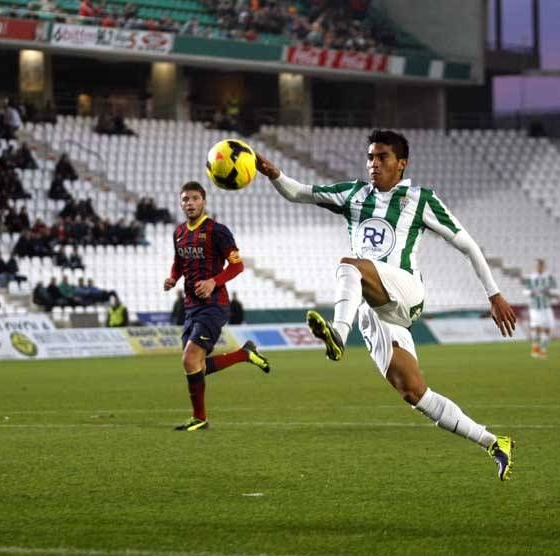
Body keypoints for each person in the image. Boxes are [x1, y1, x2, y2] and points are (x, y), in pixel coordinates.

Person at [255, 129, 517, 481]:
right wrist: (275, 175)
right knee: (414, 392)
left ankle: (337, 334)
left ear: (401, 163)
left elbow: (468, 244)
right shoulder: (353, 194)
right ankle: (494, 442)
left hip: (405, 290)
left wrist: (494, 292)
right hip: (372, 308)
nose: (373, 164)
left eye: (382, 157)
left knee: (348, 264)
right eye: (370, 157)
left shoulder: (420, 198)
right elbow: (300, 192)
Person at [164, 181, 270, 432]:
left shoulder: (218, 231)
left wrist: (214, 281)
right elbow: (179, 262)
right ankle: (243, 354)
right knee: (195, 364)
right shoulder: (178, 232)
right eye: (185, 199)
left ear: (204, 201)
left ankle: (200, 418)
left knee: (189, 359)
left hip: (215, 305)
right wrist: (172, 278)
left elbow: (237, 266)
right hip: (190, 307)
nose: (189, 203)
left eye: (194, 198)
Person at [523, 258, 557, 359]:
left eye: (540, 265)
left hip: (546, 307)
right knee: (536, 327)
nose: (538, 267)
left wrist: (550, 292)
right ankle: (535, 347)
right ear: (535, 266)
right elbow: (525, 291)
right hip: (535, 307)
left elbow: (557, 290)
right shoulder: (531, 278)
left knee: (547, 328)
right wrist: (531, 293)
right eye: (537, 265)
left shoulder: (549, 277)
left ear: (544, 266)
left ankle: (543, 350)